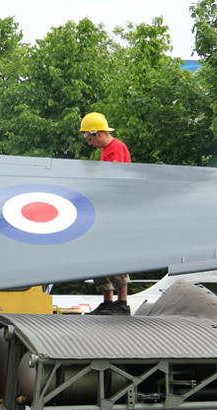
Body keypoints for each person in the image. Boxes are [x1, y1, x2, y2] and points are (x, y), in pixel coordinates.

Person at [80, 112, 132, 315]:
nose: (90, 143)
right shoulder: (107, 151)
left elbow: (113, 181)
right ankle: (108, 301)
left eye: (91, 138)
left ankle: (122, 301)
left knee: (115, 252)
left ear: (98, 133)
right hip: (106, 209)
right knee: (101, 253)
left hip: (116, 210)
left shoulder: (116, 149)